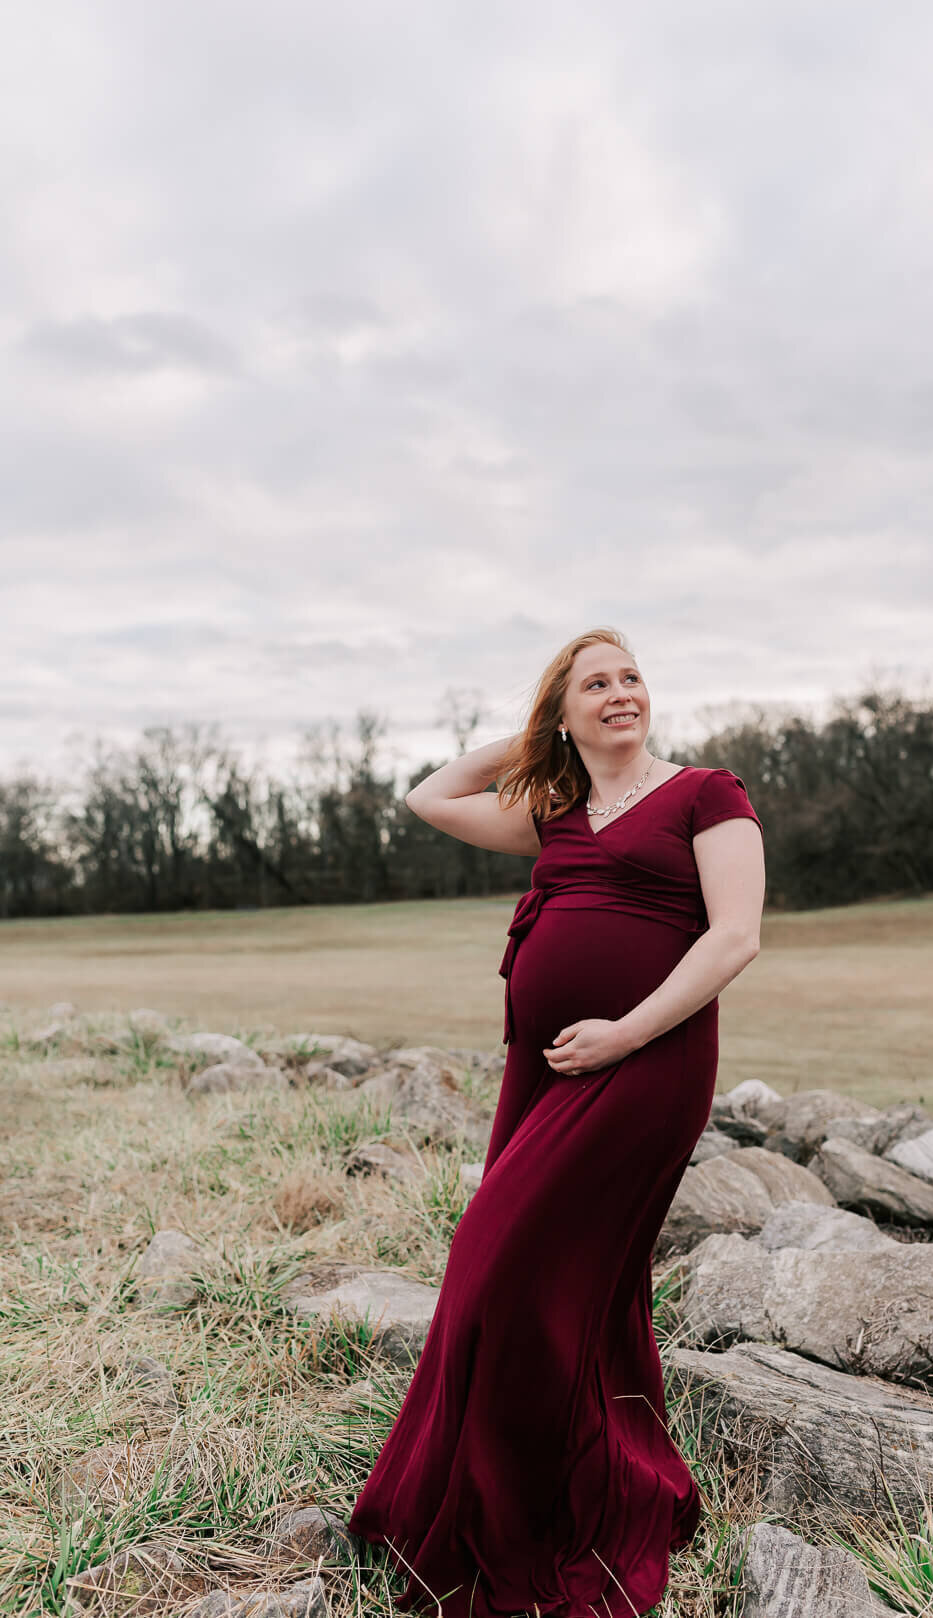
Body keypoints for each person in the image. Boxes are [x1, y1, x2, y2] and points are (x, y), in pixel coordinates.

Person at [347, 626, 766, 1618]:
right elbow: (429, 796)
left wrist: (625, 1033)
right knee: (562, 1288)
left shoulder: (708, 794)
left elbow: (736, 936)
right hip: (544, 1080)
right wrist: (532, 736)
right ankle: (556, 1485)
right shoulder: (556, 812)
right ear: (565, 711)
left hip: (646, 1068)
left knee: (500, 1263)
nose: (622, 692)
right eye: (595, 683)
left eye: (631, 676)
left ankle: (546, 1508)